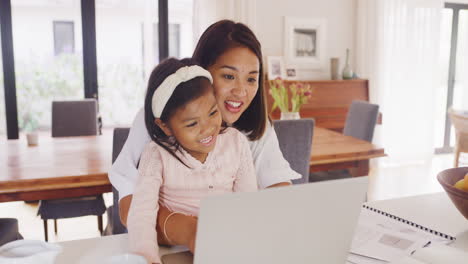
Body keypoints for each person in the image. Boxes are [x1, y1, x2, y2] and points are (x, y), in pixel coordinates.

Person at [109, 19, 301, 252]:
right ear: (200, 73)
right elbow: (131, 206)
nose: (241, 92)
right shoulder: (159, 118)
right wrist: (188, 229)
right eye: (228, 76)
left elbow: (277, 187)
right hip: (170, 249)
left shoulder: (250, 130)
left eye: (251, 79)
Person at [127, 58, 258, 264]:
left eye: (213, 113)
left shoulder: (236, 143)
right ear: (165, 127)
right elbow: (141, 214)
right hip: (176, 249)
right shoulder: (157, 155)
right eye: (192, 124)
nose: (208, 128)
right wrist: (146, 257)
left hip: (226, 247)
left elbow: (249, 204)